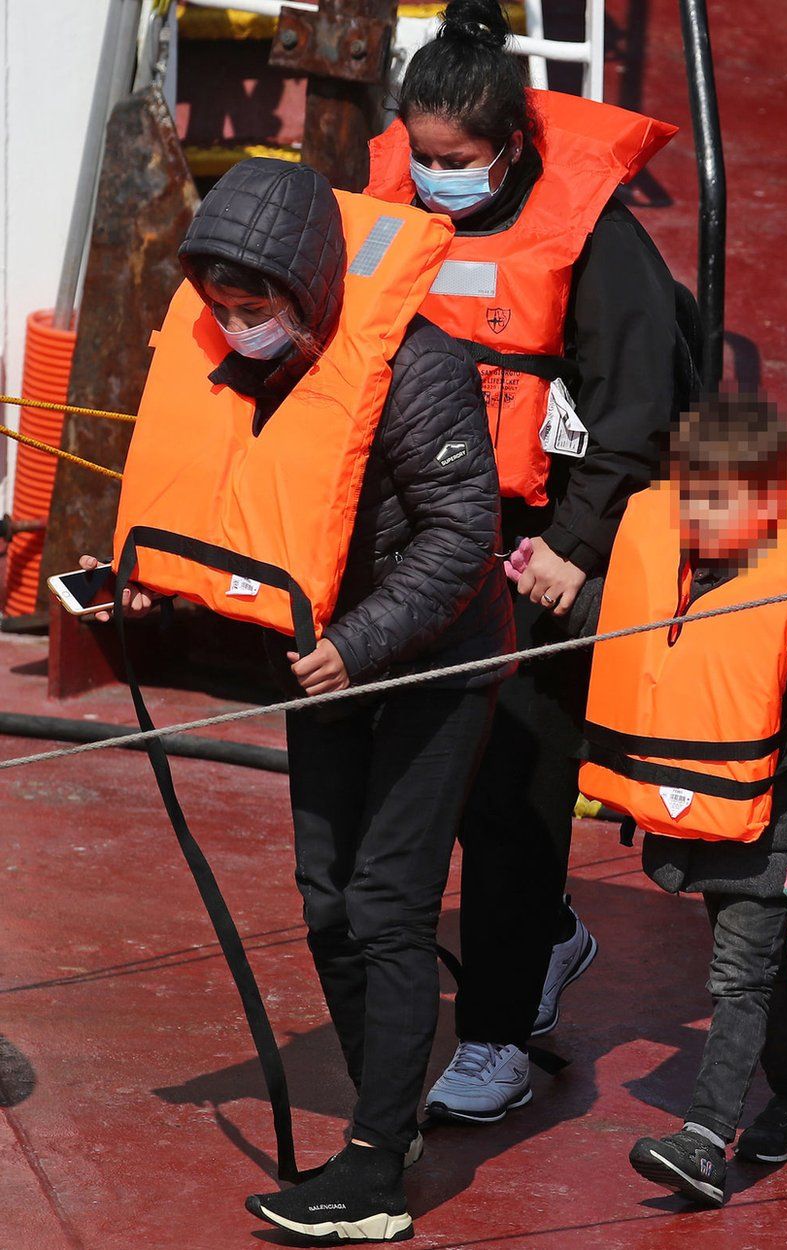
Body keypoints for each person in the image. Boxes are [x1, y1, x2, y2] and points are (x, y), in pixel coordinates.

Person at [96, 157, 514, 1243]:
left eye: (256, 308)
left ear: (311, 292)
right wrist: (158, 591)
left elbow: (465, 536)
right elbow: (234, 505)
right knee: (324, 896)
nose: (236, 327)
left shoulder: (420, 371)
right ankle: (395, 1107)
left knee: (386, 901)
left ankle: (376, 1169)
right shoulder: (238, 365)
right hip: (319, 658)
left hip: (430, 663)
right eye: (222, 309)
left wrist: (358, 645)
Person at [367, 0, 698, 1122]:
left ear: (508, 148)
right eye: (418, 155)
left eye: (453, 163)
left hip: (532, 557)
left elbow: (638, 407)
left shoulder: (597, 240)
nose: (431, 177)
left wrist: (572, 545)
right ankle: (548, 933)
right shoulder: (387, 199)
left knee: (510, 797)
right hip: (414, 542)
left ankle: (500, 1032)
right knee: (415, 782)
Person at [579, 392, 787, 1207]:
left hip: (778, 827)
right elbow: (623, 633)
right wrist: (548, 586)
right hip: (706, 823)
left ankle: (702, 1141)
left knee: (738, 980)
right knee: (762, 970)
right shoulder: (672, 575)